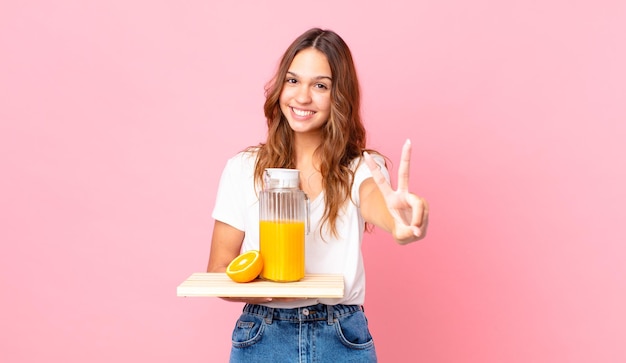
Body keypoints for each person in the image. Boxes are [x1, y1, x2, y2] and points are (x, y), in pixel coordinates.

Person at [207, 27, 429, 362]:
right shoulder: (243, 169)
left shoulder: (361, 169)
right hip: (263, 335)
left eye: (320, 85)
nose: (302, 97)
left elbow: (375, 200)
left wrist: (400, 219)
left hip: (340, 335)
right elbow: (219, 270)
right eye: (293, 81)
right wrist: (270, 287)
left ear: (340, 96)